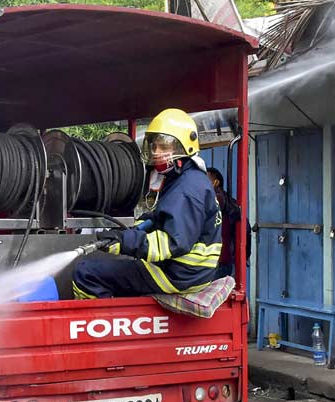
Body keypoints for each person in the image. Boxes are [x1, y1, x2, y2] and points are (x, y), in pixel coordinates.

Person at [72, 108, 222, 299]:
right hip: (187, 272)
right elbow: (164, 218)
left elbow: (171, 243)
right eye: (154, 146)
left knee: (86, 273)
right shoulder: (187, 179)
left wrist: (125, 242)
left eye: (164, 147)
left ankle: (110, 327)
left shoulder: (187, 189)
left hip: (178, 275)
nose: (156, 152)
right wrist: (135, 229)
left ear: (184, 148)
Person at [206, 167, 249, 279]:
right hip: (221, 262)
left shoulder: (215, 201)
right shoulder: (231, 204)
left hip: (218, 263)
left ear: (216, 183)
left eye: (206, 179)